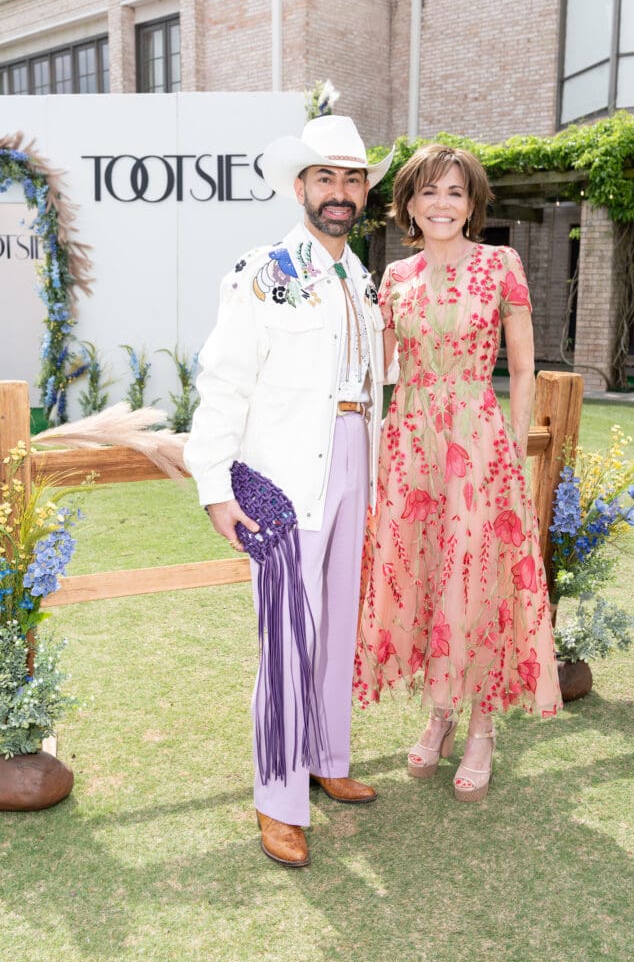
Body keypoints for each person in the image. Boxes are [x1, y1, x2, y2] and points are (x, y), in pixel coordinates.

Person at [184, 115, 393, 865]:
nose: (339, 192)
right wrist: (215, 486)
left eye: (351, 179)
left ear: (363, 192)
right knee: (285, 638)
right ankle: (277, 800)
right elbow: (223, 382)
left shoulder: (361, 278)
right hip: (282, 475)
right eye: (324, 177)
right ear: (299, 187)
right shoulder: (261, 272)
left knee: (336, 626)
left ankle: (327, 758)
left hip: (353, 459)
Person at [354, 144, 562, 802]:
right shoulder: (395, 276)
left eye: (454, 191)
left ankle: (481, 726)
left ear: (472, 203)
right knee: (424, 574)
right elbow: (376, 373)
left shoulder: (501, 265)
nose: (441, 203)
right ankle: (438, 714)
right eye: (428, 191)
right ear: (408, 203)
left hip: (477, 442)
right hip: (411, 443)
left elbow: (522, 369)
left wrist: (513, 447)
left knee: (476, 580)